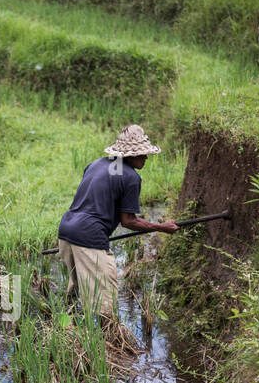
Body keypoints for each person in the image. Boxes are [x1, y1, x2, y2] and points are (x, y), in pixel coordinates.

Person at [57, 124, 178, 320]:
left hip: (66, 230)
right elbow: (128, 221)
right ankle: (107, 345)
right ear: (129, 155)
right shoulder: (131, 178)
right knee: (105, 305)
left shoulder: (95, 164)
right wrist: (161, 227)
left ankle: (70, 335)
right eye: (142, 154)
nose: (146, 157)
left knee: (76, 292)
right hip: (89, 236)